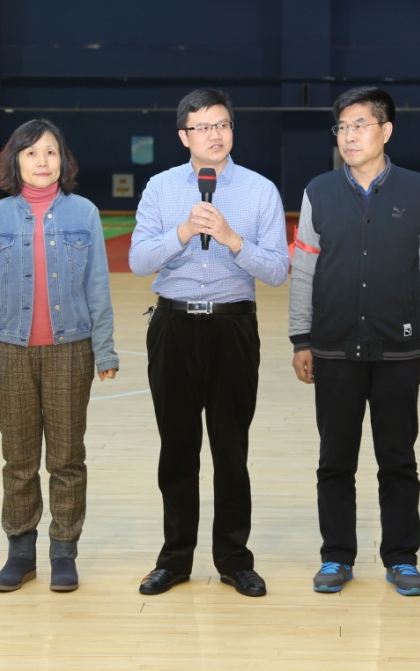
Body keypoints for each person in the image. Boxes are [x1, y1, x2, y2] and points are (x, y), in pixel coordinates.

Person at [289, 86, 420, 597]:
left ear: (386, 130)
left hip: (398, 350)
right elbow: (304, 269)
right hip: (333, 348)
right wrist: (300, 337)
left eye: (360, 125)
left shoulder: (419, 190)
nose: (349, 135)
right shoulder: (318, 191)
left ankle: (401, 558)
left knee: (398, 460)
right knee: (335, 460)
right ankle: (336, 555)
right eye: (342, 127)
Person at [128, 87, 288, 598]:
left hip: (232, 328)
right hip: (173, 326)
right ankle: (175, 559)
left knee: (231, 450)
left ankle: (234, 560)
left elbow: (278, 271)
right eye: (202, 127)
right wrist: (181, 232)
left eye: (222, 124)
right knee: (177, 450)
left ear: (231, 129)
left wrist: (232, 239)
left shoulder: (260, 190)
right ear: (184, 136)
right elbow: (138, 261)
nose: (214, 135)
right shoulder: (160, 187)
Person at [0, 119, 119, 594]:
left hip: (70, 351)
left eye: (51, 152)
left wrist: (104, 349)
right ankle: (20, 552)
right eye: (31, 153)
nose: (42, 161)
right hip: (7, 352)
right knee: (19, 459)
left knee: (67, 458)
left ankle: (63, 551)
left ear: (63, 160)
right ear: (15, 161)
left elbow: (98, 286)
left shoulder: (84, 213)